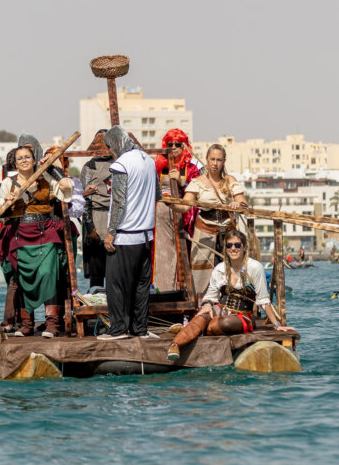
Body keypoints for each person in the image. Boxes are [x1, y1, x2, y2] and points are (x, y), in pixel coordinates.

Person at [166, 230, 295, 361]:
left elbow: (263, 300)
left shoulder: (255, 267)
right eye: (229, 245)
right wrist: (207, 305)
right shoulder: (220, 269)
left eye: (237, 245)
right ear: (225, 248)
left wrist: (277, 325)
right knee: (201, 317)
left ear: (244, 247)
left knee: (223, 323)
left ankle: (190, 330)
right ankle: (175, 346)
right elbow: (210, 296)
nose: (233, 248)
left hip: (242, 316)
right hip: (220, 309)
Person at [0, 145, 76, 338]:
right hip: (21, 234)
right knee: (24, 280)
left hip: (45, 233)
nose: (24, 160)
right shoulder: (8, 182)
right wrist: (7, 202)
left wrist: (53, 169)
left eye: (27, 157)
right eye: (20, 158)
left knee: (48, 275)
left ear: (33, 159)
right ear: (15, 162)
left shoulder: (46, 177)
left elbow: (66, 187)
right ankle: (26, 325)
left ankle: (52, 324)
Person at [100, 126, 161, 340]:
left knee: (116, 284)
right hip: (146, 235)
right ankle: (139, 328)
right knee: (141, 285)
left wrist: (110, 232)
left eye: (109, 147)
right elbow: (158, 194)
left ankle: (117, 329)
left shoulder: (121, 164)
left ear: (116, 144)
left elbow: (118, 201)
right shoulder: (149, 161)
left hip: (125, 235)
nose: (110, 152)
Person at [167, 144, 247, 296]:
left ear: (224, 161)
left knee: (231, 269)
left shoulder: (230, 180)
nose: (215, 163)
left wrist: (237, 204)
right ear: (207, 160)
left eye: (219, 160)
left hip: (228, 233)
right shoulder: (197, 182)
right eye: (212, 159)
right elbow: (185, 206)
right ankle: (201, 305)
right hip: (204, 231)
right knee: (201, 274)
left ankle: (232, 301)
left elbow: (243, 202)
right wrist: (170, 203)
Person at [152, 128, 201, 291]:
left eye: (178, 144)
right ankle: (162, 289)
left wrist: (182, 183)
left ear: (184, 147)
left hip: (183, 214)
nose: (173, 147)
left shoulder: (192, 169)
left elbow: (198, 193)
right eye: (170, 144)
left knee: (182, 252)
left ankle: (184, 289)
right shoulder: (157, 167)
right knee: (161, 253)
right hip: (160, 215)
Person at [80, 130, 113, 289]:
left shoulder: (120, 163)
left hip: (114, 216)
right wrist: (89, 226)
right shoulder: (89, 167)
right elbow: (83, 197)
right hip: (96, 216)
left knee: (116, 269)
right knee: (97, 271)